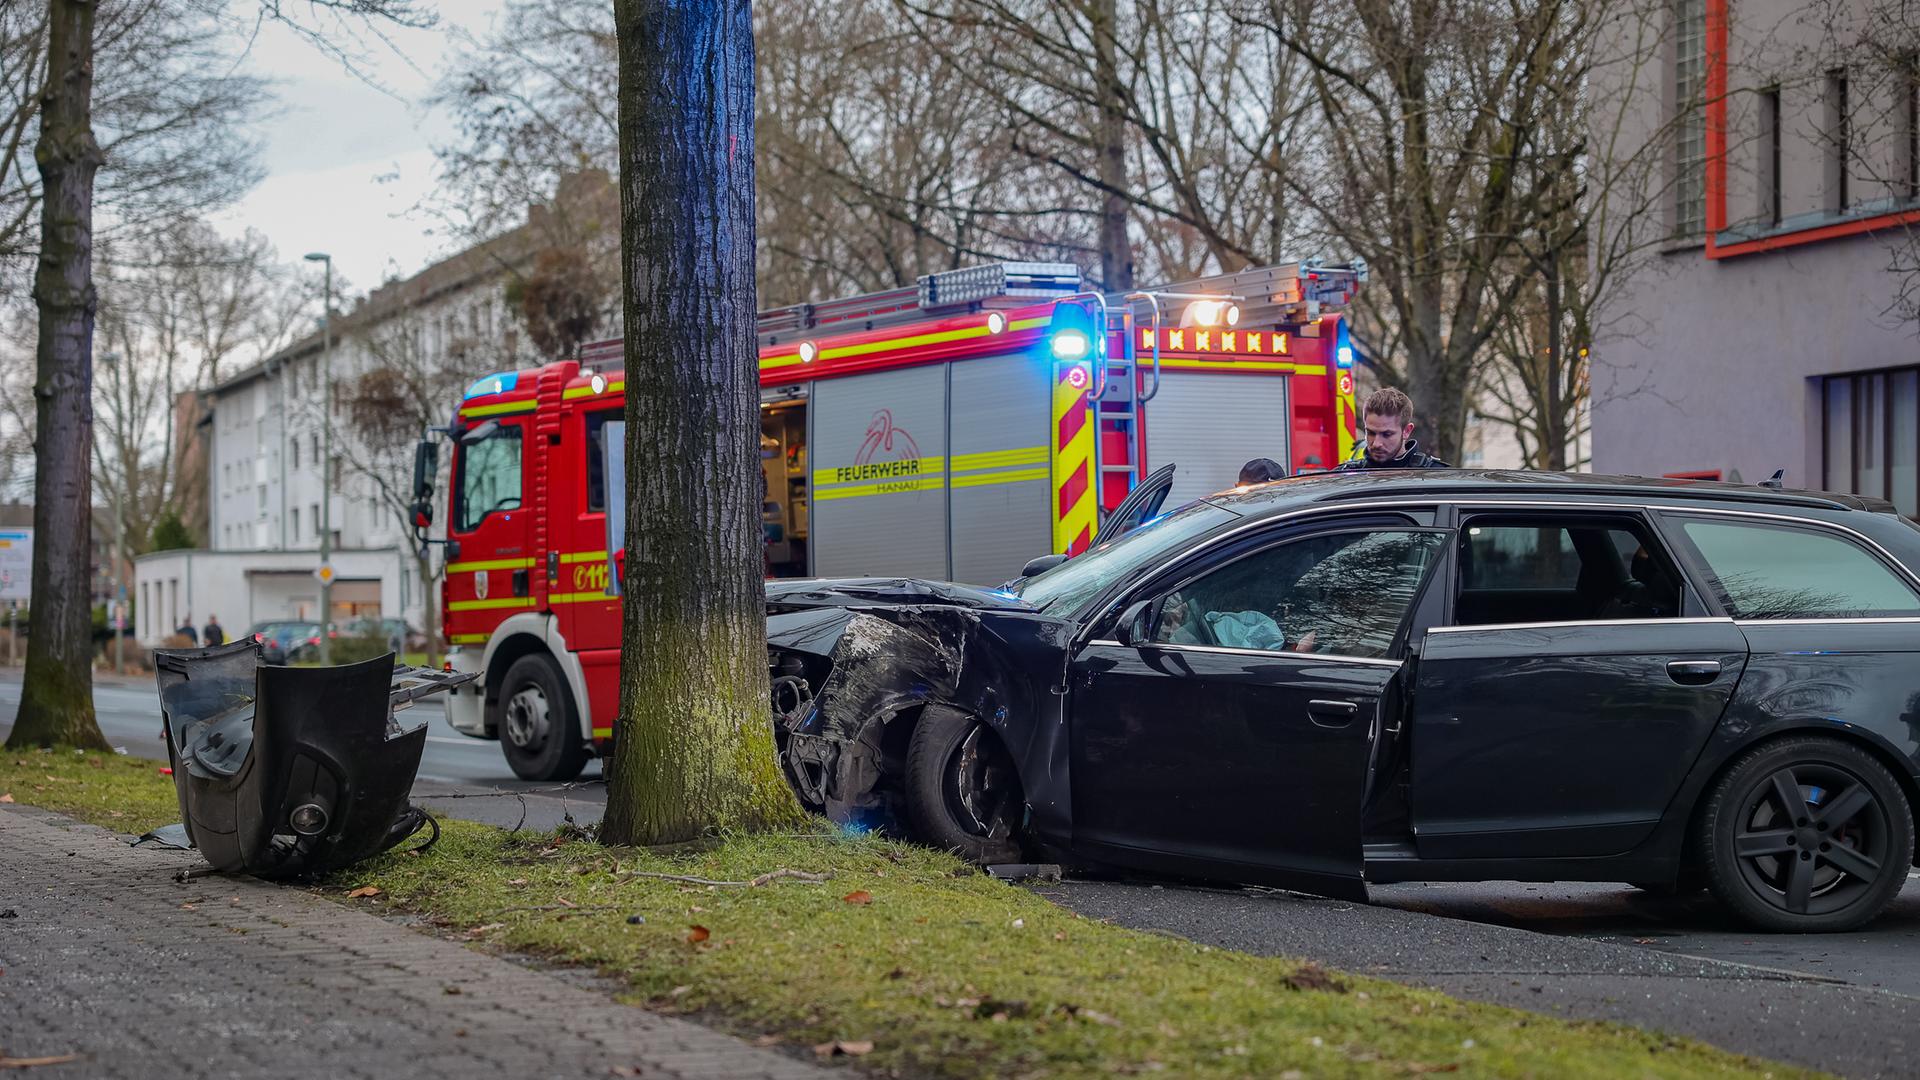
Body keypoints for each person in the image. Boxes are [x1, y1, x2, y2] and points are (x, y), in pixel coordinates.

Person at [1337, 387, 1450, 469]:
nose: (1376, 443)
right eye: (1371, 433)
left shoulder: (1435, 477)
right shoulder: (1345, 477)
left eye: (1386, 434)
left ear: (1406, 431)